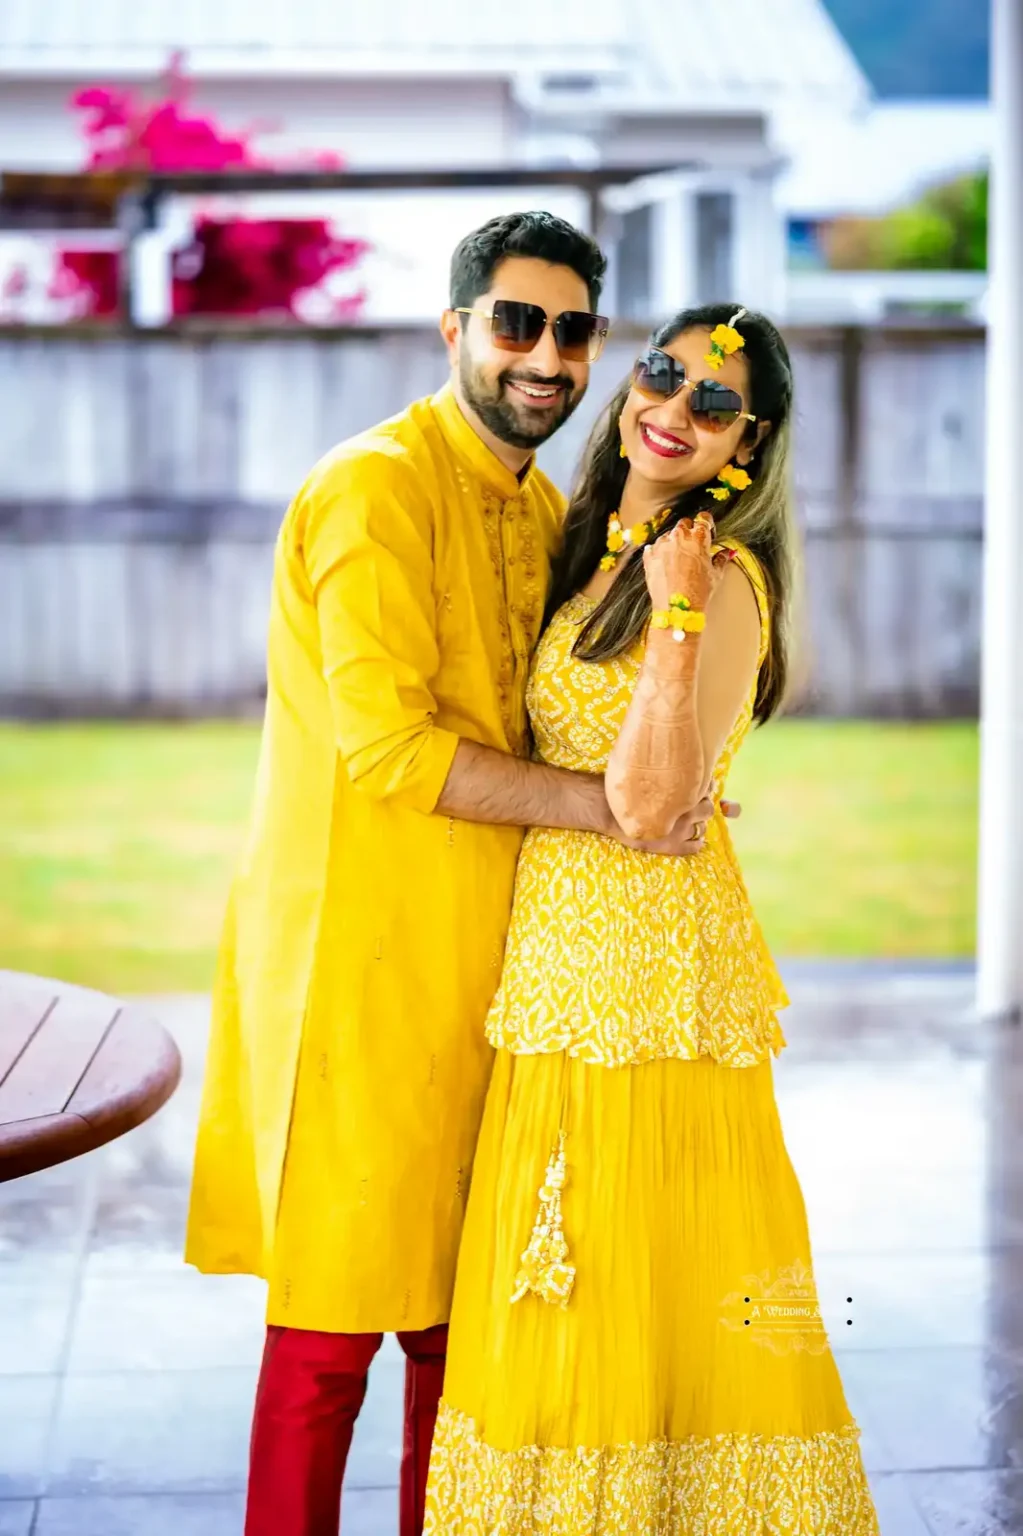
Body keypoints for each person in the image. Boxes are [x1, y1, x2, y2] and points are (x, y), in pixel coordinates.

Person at [184, 212, 730, 1536]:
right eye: (514, 323)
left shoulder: (544, 507)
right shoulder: (373, 489)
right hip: (358, 973)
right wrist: (609, 813)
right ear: (455, 330)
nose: (543, 357)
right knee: (328, 1337)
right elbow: (388, 751)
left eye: (570, 331)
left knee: (461, 1335)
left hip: (496, 970)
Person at [423, 305, 881, 1534]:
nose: (672, 409)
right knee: (556, 1274)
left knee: (645, 1274)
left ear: (750, 440)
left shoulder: (717, 576)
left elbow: (647, 801)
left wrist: (676, 620)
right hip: (556, 959)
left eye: (712, 403)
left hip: (658, 982)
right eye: (662, 375)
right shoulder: (590, 541)